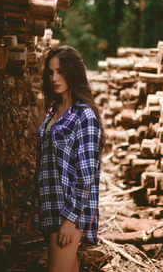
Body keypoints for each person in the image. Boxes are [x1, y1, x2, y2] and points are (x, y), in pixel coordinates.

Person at [27, 46, 105, 272]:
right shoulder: (54, 111)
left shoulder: (84, 115)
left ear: (74, 72)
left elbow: (86, 174)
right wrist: (35, 207)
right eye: (50, 72)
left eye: (60, 71)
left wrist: (71, 220)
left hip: (69, 210)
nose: (54, 78)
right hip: (49, 206)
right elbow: (43, 165)